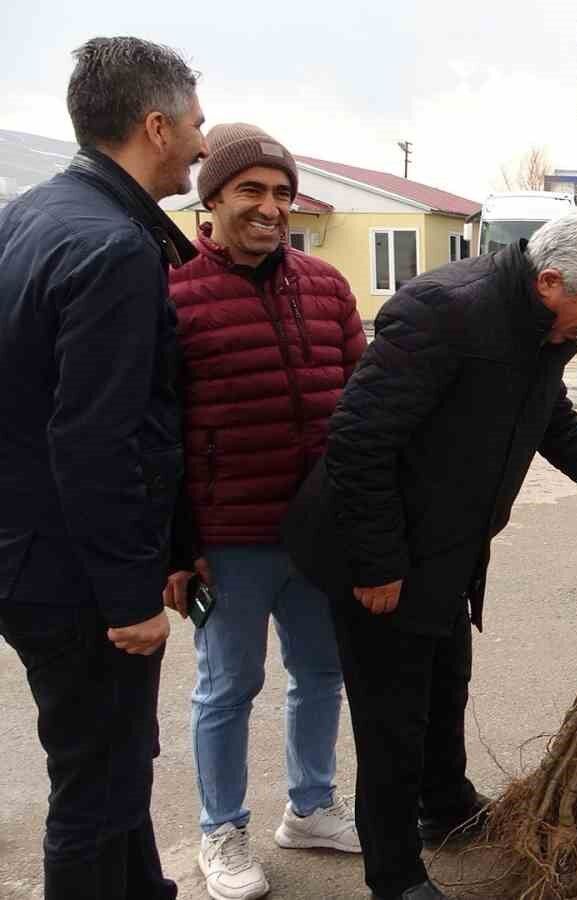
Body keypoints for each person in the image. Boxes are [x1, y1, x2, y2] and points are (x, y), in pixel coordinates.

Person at [280, 214, 577, 900]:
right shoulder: (444, 312)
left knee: (443, 684)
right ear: (550, 282)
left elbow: (552, 422)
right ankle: (395, 875)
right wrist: (377, 565)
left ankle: (446, 806)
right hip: (381, 552)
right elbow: (357, 443)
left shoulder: (536, 330)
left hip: (448, 548)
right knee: (392, 718)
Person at [0, 36, 207, 900]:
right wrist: (129, 597)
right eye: (196, 125)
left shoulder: (29, 215)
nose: (203, 142)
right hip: (75, 578)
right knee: (95, 785)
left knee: (117, 759)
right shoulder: (116, 249)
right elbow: (95, 441)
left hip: (26, 553)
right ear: (155, 126)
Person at [164, 124, 367, 900]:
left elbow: (361, 404)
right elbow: (159, 434)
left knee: (321, 672)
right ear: (210, 199)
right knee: (227, 686)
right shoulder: (172, 294)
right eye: (251, 190)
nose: (270, 207)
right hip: (229, 540)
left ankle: (311, 807)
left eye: (281, 192)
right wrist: (176, 550)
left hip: (318, 533)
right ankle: (222, 829)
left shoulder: (326, 286)